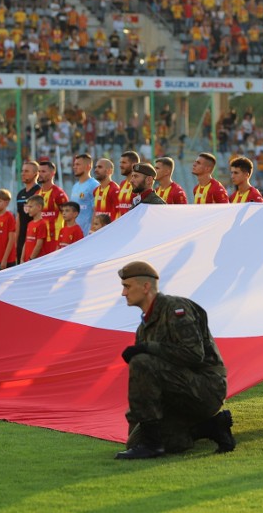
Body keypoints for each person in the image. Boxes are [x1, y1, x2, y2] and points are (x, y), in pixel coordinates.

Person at [115, 261, 235, 459]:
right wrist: (137, 426)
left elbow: (194, 355)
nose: (123, 293)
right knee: (135, 442)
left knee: (141, 361)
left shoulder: (176, 309)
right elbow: (145, 385)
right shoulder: (144, 328)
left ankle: (153, 446)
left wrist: (148, 348)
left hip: (205, 387)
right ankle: (210, 427)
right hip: (176, 396)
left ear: (146, 287)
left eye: (127, 287)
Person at [37, 161, 69, 251]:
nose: (40, 174)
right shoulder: (37, 194)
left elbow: (68, 217)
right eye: (39, 171)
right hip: (40, 239)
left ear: (52, 173)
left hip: (55, 239)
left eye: (43, 171)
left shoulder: (59, 193)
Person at [16, 160, 41, 263]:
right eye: (22, 171)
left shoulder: (39, 191)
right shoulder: (20, 193)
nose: (23, 173)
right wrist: (16, 239)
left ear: (36, 174)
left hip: (34, 237)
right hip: (22, 237)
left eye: (26, 171)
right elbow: (18, 217)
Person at [70, 153, 101, 235]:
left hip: (87, 235)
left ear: (88, 167)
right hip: (74, 234)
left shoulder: (94, 185)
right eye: (74, 164)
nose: (74, 167)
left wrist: (92, 231)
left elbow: (96, 210)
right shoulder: (75, 186)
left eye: (78, 164)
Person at [22, 195, 49, 263]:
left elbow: (39, 245)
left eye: (30, 207)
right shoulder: (30, 223)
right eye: (27, 207)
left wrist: (31, 259)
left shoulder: (42, 224)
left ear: (39, 207)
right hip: (26, 261)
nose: (28, 209)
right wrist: (22, 258)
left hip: (35, 261)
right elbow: (26, 242)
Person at [116, 151, 140, 217]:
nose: (120, 165)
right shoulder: (122, 184)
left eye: (124, 162)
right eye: (120, 162)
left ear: (134, 165)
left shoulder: (139, 184)